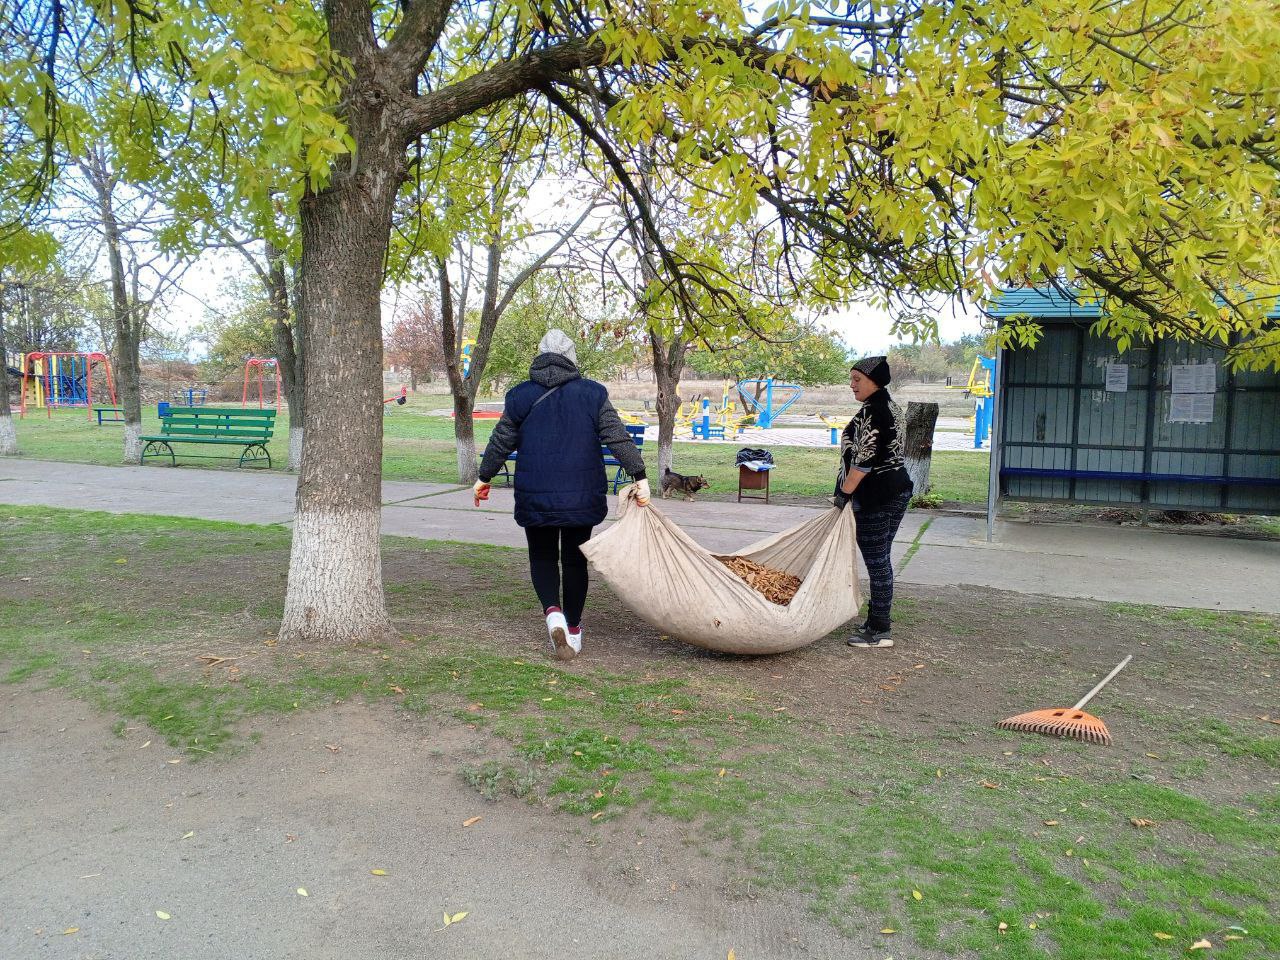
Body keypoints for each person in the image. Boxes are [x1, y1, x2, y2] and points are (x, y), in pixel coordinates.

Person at [472, 330, 650, 661]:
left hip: (535, 495)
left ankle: (553, 614)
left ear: (539, 357)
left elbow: (500, 441)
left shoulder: (519, 396)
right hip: (581, 497)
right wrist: (639, 476)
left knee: (541, 557)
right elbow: (618, 436)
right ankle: (574, 629)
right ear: (572, 357)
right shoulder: (593, 394)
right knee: (573, 560)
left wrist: (484, 477)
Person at [834, 355, 914, 649]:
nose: (851, 385)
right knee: (881, 558)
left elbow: (864, 461)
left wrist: (843, 494)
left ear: (874, 382)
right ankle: (876, 621)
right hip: (897, 489)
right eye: (852, 379)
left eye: (857, 380)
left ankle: (880, 630)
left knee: (877, 561)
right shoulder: (890, 406)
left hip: (877, 496)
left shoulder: (874, 411)